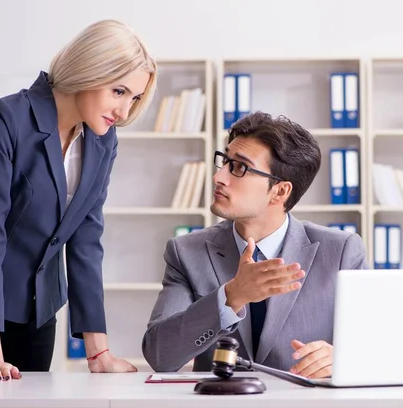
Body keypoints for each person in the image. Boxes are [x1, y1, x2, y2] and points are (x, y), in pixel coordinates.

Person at [0, 19, 157, 381]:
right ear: (90, 67)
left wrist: (100, 352)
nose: (124, 112)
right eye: (119, 92)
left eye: (134, 98)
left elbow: (86, 241)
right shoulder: (5, 120)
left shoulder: (103, 140)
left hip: (36, 313)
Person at [142, 111, 368, 379]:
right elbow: (160, 356)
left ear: (280, 191)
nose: (219, 177)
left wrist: (344, 357)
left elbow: (383, 343)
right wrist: (230, 297)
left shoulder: (342, 252)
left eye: (239, 167)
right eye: (224, 162)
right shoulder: (186, 253)